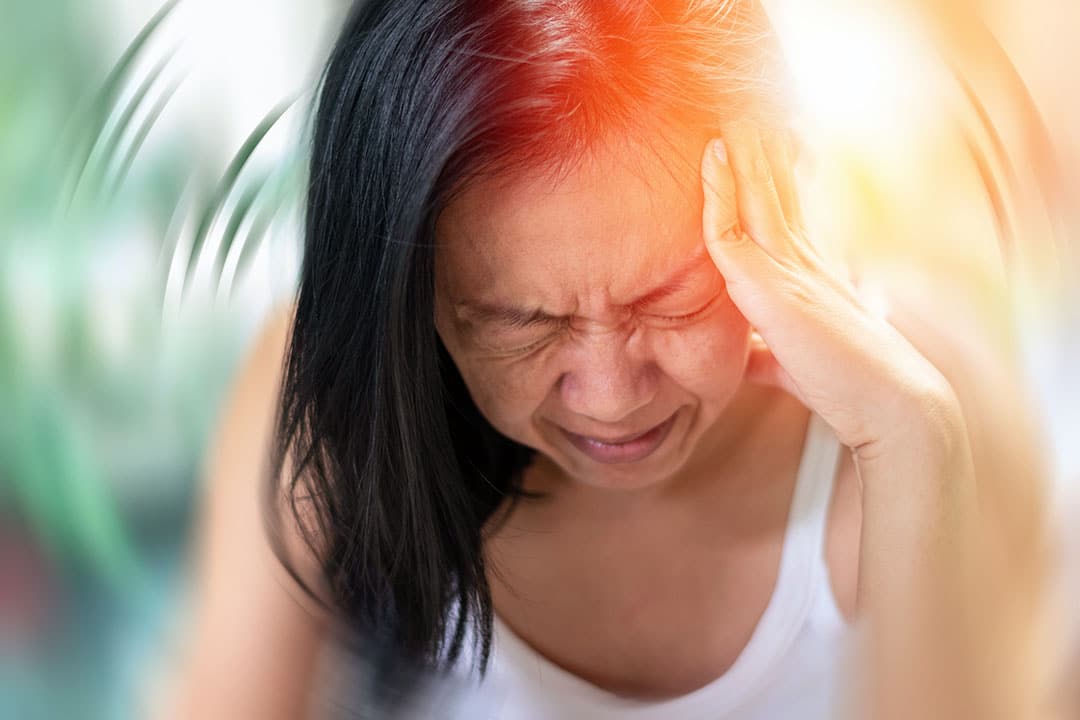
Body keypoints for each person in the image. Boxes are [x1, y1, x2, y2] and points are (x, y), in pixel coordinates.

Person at [165, 1, 1052, 718]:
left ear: (785, 193)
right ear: (411, 295)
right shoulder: (330, 400)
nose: (612, 394)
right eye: (521, 320)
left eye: (671, 297)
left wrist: (912, 443)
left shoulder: (922, 405)